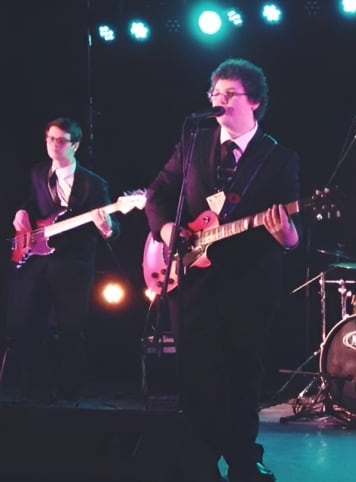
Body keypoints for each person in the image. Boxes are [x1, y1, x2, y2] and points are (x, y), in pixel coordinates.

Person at [145, 58, 300, 482]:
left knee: (241, 373)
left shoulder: (279, 157)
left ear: (255, 101)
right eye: (215, 93)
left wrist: (285, 233)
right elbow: (158, 193)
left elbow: (291, 238)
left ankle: (244, 460)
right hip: (192, 279)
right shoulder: (194, 143)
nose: (219, 100)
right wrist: (166, 228)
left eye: (228, 94)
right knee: (196, 374)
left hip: (249, 283)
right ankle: (198, 460)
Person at [4, 117, 118, 404]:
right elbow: (30, 203)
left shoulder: (94, 184)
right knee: (31, 326)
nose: (54, 145)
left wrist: (107, 228)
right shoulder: (37, 172)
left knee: (71, 331)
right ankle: (32, 391)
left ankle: (69, 393)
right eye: (50, 139)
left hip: (74, 266)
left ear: (75, 145)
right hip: (38, 261)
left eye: (61, 140)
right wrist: (20, 213)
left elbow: (111, 228)